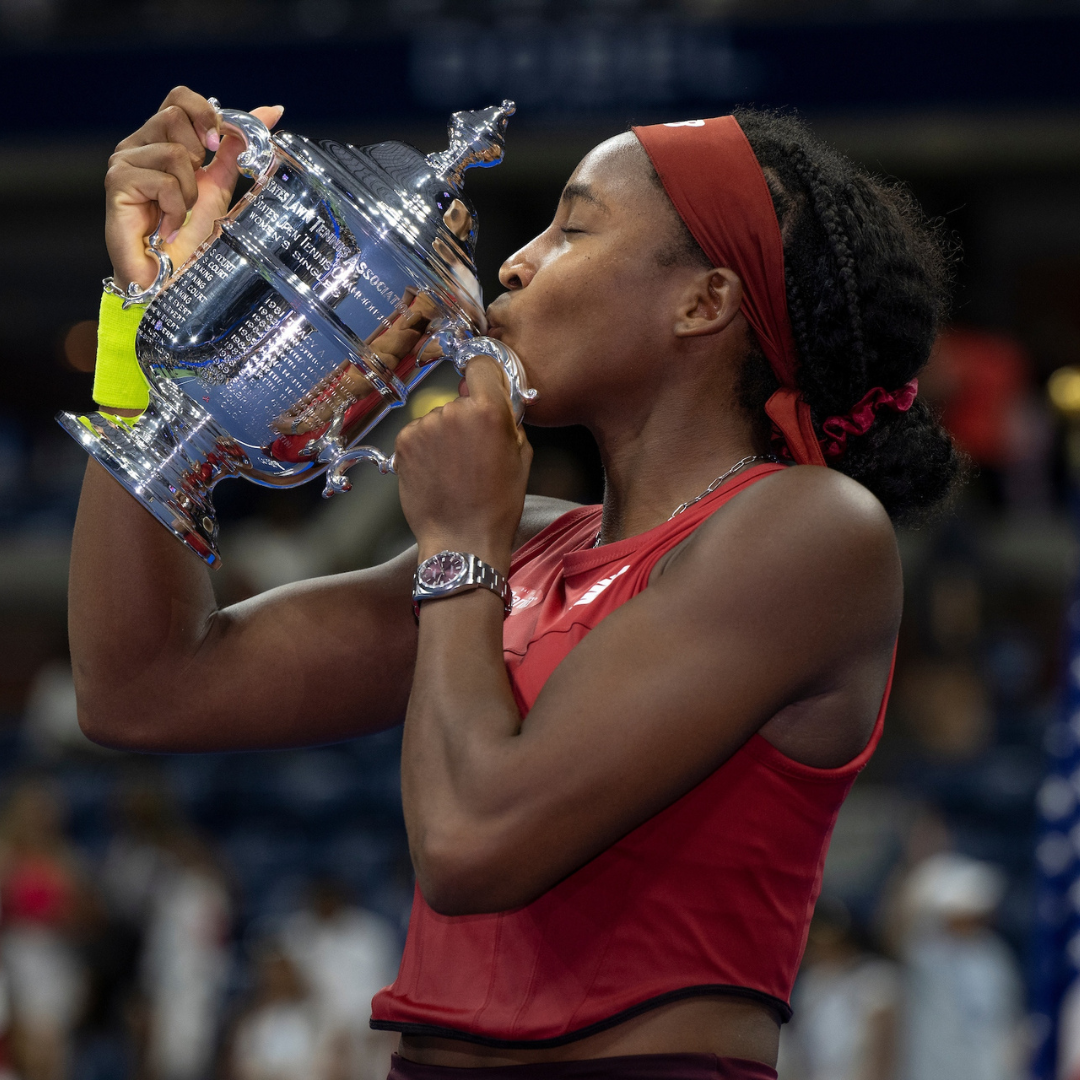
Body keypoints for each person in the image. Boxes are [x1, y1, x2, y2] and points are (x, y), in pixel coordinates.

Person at [69, 87, 963, 1078]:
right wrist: (150, 336)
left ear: (703, 302)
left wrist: (458, 541)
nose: (513, 262)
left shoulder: (812, 528)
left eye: (572, 228)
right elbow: (141, 690)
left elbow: (470, 845)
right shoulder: (521, 543)